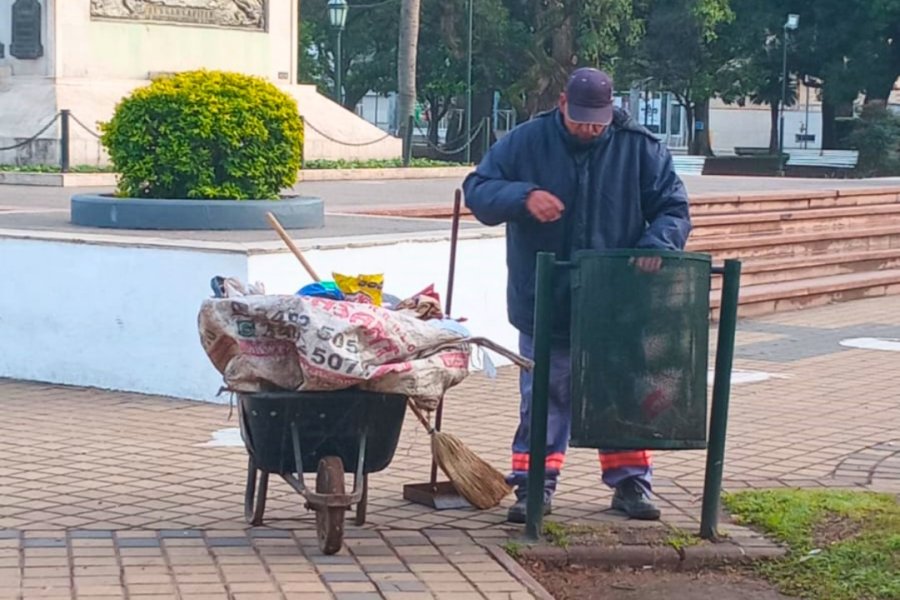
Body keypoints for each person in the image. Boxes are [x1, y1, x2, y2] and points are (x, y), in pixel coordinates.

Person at [462, 67, 692, 523]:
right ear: (562, 103)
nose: (590, 128)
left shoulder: (639, 146)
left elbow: (673, 208)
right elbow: (478, 190)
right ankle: (534, 488)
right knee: (546, 394)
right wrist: (523, 197)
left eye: (598, 120)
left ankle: (631, 484)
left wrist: (656, 245)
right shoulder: (525, 142)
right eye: (581, 118)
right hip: (546, 299)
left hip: (617, 301)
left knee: (623, 392)